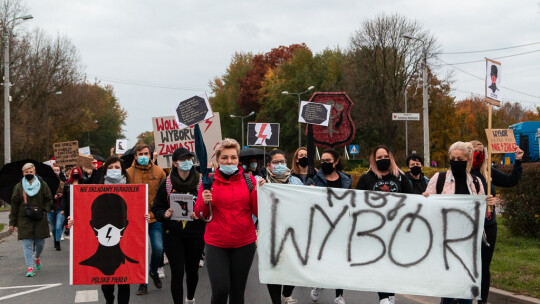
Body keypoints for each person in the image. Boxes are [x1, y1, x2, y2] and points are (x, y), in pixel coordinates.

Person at [423, 141, 494, 304]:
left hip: (469, 242)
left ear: (468, 159)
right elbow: (427, 206)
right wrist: (426, 198)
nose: (455, 161)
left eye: (459, 158)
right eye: (452, 158)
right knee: (448, 288)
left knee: (466, 287)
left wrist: (487, 202)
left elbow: (481, 212)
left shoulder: (476, 182)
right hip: (445, 241)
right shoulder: (439, 179)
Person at [194, 138, 258, 304]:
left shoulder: (249, 181)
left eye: (233, 157)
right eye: (224, 157)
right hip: (217, 244)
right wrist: (204, 200)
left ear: (238, 160)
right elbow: (200, 214)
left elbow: (259, 212)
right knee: (221, 289)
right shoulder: (208, 180)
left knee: (238, 292)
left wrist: (260, 192)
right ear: (217, 160)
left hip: (244, 243)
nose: (229, 161)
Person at [356, 145, 413, 304]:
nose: (382, 160)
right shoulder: (366, 178)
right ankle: (383, 297)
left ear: (391, 157)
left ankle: (390, 293)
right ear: (374, 160)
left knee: (393, 263)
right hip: (374, 230)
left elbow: (412, 200)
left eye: (385, 156)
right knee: (379, 263)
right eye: (379, 158)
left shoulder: (400, 177)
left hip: (396, 229)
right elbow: (356, 201)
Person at [469, 141, 523, 304]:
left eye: (481, 151)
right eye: (475, 151)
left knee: (485, 265)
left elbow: (510, 181)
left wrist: (518, 161)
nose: (479, 154)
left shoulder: (488, 172)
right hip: (469, 226)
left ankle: (482, 300)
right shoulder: (462, 173)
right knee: (468, 263)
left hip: (488, 225)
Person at [152, 148, 206, 304]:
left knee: (192, 270)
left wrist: (200, 214)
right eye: (183, 159)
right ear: (175, 163)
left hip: (195, 233)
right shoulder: (167, 184)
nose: (187, 162)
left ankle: (190, 298)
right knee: (177, 272)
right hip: (173, 234)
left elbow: (209, 209)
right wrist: (164, 214)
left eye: (189, 158)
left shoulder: (201, 183)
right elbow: (156, 208)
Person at [311, 148, 352, 304]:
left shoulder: (346, 179)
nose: (325, 163)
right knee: (322, 258)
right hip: (322, 225)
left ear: (336, 162)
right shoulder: (314, 178)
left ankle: (339, 295)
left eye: (328, 160)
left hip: (341, 225)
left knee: (339, 260)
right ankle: (318, 283)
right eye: (322, 160)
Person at [126, 143, 167, 295]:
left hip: (154, 218)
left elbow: (165, 194)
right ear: (135, 156)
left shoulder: (160, 171)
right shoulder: (128, 173)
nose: (143, 157)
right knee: (139, 253)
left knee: (158, 248)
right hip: (135, 220)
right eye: (140, 154)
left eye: (146, 154)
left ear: (150, 155)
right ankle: (142, 283)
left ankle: (153, 271)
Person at [263, 149, 303, 304]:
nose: (279, 165)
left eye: (282, 162)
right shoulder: (261, 181)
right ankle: (276, 301)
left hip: (293, 231)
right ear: (269, 165)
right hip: (270, 232)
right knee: (273, 267)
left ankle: (286, 294)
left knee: (294, 265)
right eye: (275, 162)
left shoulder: (296, 182)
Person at [9, 163, 53, 277]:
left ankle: (37, 257)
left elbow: (49, 199)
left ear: (34, 172)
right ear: (23, 173)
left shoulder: (42, 185)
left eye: (31, 172)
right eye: (26, 172)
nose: (29, 174)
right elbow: (14, 205)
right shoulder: (19, 187)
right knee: (27, 243)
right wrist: (12, 222)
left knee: (40, 243)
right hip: (24, 218)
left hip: (39, 217)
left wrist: (45, 210)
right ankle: (30, 268)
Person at [48, 165, 65, 250]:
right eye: (54, 170)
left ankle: (58, 241)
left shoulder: (63, 184)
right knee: (54, 227)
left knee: (59, 226)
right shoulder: (48, 184)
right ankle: (55, 239)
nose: (56, 172)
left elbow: (66, 196)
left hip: (60, 208)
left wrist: (62, 195)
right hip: (51, 209)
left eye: (57, 170)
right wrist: (53, 197)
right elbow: (46, 197)